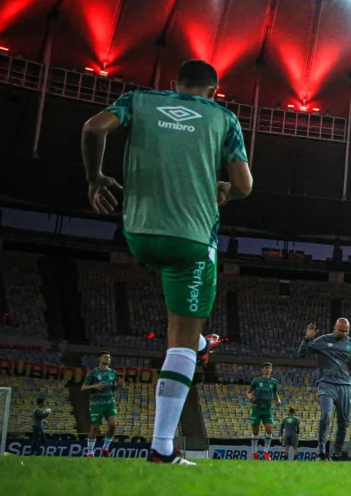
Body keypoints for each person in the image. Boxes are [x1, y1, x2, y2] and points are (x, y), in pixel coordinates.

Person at [81, 59, 251, 465]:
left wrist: (95, 178)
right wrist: (226, 187)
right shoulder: (223, 117)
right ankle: (161, 449)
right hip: (190, 240)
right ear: (213, 91)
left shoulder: (138, 100)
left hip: (138, 233)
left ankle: (198, 341)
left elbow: (92, 128)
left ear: (173, 83)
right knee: (180, 342)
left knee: (185, 323)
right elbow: (244, 185)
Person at [297, 319, 351, 460]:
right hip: (326, 384)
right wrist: (307, 339)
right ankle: (321, 452)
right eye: (341, 330)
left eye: (346, 331)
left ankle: (336, 453)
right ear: (334, 327)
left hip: (345, 386)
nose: (344, 333)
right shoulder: (323, 340)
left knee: (343, 421)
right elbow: (301, 354)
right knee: (325, 416)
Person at [82, 351, 124, 457]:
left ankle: (105, 448)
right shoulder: (93, 373)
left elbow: (112, 388)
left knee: (113, 425)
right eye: (105, 357)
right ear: (99, 359)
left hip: (109, 402)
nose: (108, 359)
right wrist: (94, 386)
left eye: (109, 357)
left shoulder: (112, 372)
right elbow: (83, 388)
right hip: (96, 403)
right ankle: (90, 452)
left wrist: (118, 385)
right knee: (95, 427)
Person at [247, 363, 281, 461]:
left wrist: (277, 400)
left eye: (270, 368)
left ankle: (266, 452)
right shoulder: (257, 381)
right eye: (266, 368)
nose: (268, 369)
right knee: (255, 431)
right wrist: (250, 397)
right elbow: (249, 392)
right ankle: (254, 453)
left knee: (269, 430)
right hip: (256, 409)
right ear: (262, 369)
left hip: (267, 410)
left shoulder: (274, 382)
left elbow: (275, 392)